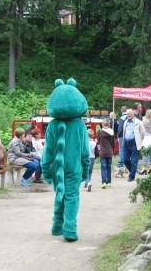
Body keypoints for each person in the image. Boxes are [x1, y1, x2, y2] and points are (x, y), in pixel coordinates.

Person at [41, 78, 90, 242]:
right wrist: (86, 169)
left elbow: (47, 150)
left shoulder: (52, 125)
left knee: (60, 193)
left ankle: (56, 226)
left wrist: (45, 168)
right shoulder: (80, 126)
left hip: (57, 166)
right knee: (72, 196)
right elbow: (84, 151)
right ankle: (69, 228)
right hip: (74, 167)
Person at [122, 109, 145, 182]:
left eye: (130, 114)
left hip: (134, 143)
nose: (128, 115)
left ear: (133, 114)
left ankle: (131, 176)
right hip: (126, 143)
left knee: (134, 161)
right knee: (125, 160)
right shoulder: (125, 122)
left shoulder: (138, 122)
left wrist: (138, 141)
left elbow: (143, 133)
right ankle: (133, 171)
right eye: (127, 114)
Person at [98, 118, 115, 189]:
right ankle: (109, 182)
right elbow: (113, 143)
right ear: (109, 124)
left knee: (103, 167)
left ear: (102, 124)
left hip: (102, 152)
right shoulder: (112, 132)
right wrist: (112, 150)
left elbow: (98, 141)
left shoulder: (100, 132)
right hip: (109, 152)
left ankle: (104, 182)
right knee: (109, 167)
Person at [140, 109, 151, 175]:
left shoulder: (143, 121)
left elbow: (141, 130)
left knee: (145, 153)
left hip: (145, 137)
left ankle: (144, 167)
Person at [116, 106, 128, 171]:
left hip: (122, 136)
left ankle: (121, 162)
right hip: (129, 136)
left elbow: (120, 128)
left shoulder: (121, 118)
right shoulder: (130, 117)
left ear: (121, 111)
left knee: (121, 149)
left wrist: (119, 135)